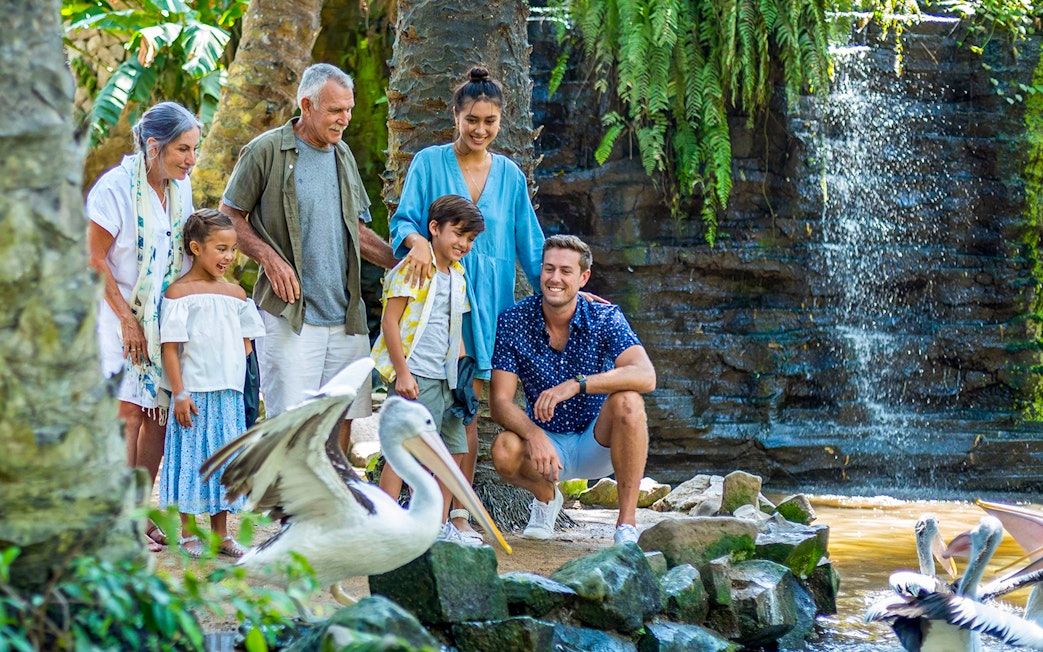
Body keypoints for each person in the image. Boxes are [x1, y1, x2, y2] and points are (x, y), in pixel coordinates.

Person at [389, 66, 545, 540]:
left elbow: (530, 247)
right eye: (472, 119)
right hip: (436, 309)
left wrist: (564, 295)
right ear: (455, 116)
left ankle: (458, 514)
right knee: (424, 413)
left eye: (491, 121)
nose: (480, 129)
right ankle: (420, 511)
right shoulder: (428, 162)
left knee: (468, 409)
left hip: (491, 309)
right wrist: (416, 240)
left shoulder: (512, 177)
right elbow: (404, 222)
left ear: (501, 121)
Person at [220, 63, 395, 453]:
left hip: (345, 315)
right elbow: (229, 215)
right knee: (291, 422)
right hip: (289, 315)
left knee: (342, 417)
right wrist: (269, 257)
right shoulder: (265, 150)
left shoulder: (343, 154)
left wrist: (402, 264)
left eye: (349, 109)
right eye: (336, 110)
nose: (345, 119)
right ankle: (289, 512)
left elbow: (359, 232)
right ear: (307, 104)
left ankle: (332, 507)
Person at [489, 235, 656, 546]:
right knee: (502, 449)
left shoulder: (604, 316)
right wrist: (534, 435)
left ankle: (626, 526)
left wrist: (576, 385)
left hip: (598, 441)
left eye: (566, 271)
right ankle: (546, 497)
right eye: (549, 269)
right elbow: (499, 402)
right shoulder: (514, 321)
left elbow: (646, 375)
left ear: (583, 278)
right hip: (545, 448)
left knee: (629, 400)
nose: (555, 279)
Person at [86, 101, 201, 552]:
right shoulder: (114, 188)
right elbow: (93, 259)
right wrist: (127, 320)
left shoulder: (179, 189)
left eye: (194, 150)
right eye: (183, 149)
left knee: (156, 417)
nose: (191, 159)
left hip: (160, 321)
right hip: (116, 316)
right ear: (154, 147)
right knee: (127, 415)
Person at [372, 195, 486, 544]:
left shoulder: (459, 274)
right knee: (402, 450)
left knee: (451, 452)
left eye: (470, 239)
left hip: (448, 378)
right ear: (434, 229)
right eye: (458, 234)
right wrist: (403, 374)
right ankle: (385, 525)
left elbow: (455, 327)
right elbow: (390, 323)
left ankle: (437, 528)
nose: (464, 244)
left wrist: (465, 377)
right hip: (416, 376)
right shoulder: (412, 268)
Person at [159, 209, 265, 558]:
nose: (229, 257)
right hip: (192, 395)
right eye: (221, 249)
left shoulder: (236, 294)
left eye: (232, 249)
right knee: (191, 461)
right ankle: (188, 532)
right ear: (195, 247)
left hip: (228, 396)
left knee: (224, 462)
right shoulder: (178, 293)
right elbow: (171, 349)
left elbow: (249, 342)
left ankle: (221, 534)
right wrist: (179, 393)